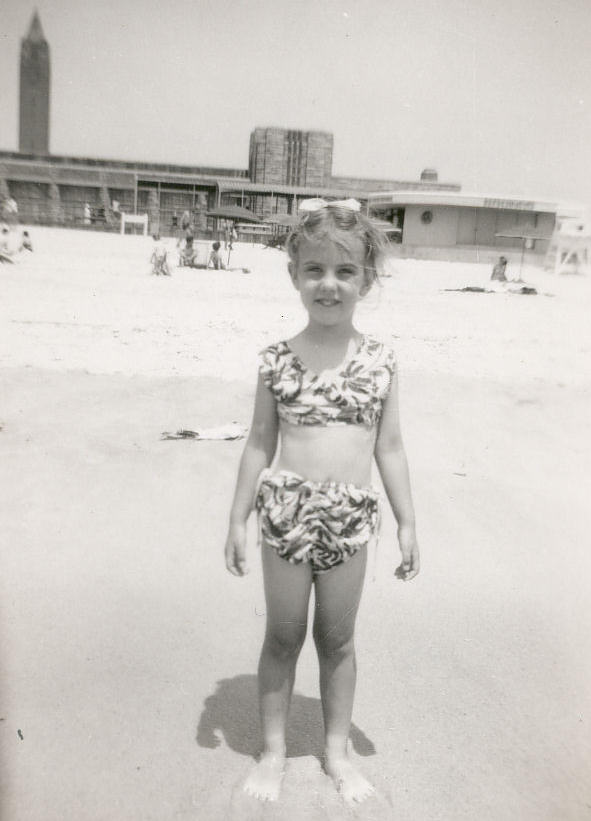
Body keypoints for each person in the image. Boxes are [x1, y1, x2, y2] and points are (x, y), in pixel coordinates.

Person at [224, 198, 420, 805]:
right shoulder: (276, 360)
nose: (328, 285)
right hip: (285, 514)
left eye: (344, 272)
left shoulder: (382, 362)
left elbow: (389, 447)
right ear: (293, 276)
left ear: (367, 278)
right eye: (314, 270)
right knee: (283, 637)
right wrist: (237, 518)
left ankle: (335, 751)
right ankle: (275, 749)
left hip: (351, 518)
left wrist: (409, 520)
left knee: (338, 640)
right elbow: (259, 443)